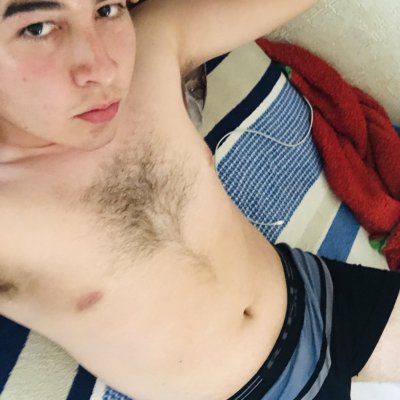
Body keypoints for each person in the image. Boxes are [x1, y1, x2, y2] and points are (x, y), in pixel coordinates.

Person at [0, 1, 398, 399]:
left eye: (105, 8)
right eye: (37, 28)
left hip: (315, 291)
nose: (104, 69)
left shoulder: (147, 51)